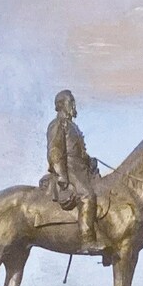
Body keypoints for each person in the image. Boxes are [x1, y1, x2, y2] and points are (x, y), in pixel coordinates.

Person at [46, 89, 100, 251]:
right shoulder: (58, 125)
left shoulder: (72, 126)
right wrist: (62, 176)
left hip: (81, 170)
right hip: (70, 171)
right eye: (71, 102)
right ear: (61, 105)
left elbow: (78, 152)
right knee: (87, 196)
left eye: (74, 102)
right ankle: (86, 240)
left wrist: (89, 161)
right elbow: (55, 151)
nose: (74, 106)